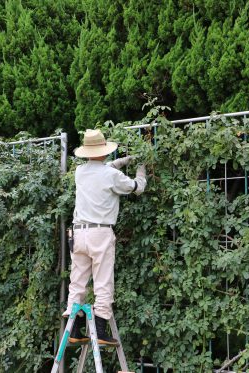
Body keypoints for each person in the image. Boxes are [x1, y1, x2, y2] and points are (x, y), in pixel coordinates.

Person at [63, 128, 147, 345]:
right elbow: (136, 188)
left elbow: (103, 169)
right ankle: (100, 333)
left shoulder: (80, 172)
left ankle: (73, 330)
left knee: (77, 282)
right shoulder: (111, 175)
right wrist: (141, 168)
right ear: (104, 150)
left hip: (78, 232)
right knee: (103, 282)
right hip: (100, 233)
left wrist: (123, 161)